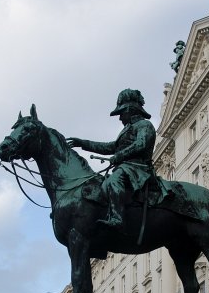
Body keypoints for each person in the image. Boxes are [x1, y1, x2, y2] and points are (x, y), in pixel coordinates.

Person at [67, 89, 161, 231]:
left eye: (121, 113)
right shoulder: (127, 129)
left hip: (138, 168)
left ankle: (118, 218)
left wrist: (119, 156)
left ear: (130, 110)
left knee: (112, 181)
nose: (120, 118)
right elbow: (110, 147)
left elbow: (141, 144)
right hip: (126, 168)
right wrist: (83, 143)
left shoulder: (144, 125)